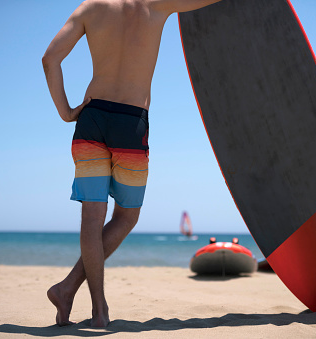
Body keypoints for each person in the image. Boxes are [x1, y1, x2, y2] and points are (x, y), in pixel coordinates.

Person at [42, 0, 222, 328]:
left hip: (92, 118)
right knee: (126, 216)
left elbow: (50, 59)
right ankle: (79, 297)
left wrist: (66, 112)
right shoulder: (159, 5)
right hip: (131, 123)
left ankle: (88, 304)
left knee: (91, 219)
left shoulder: (90, 8)